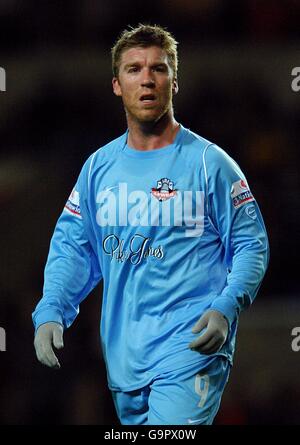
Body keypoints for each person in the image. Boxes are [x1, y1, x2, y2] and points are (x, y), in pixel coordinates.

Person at [32, 24, 269, 425]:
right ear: (115, 84)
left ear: (174, 83)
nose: (147, 79)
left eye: (159, 69)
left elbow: (251, 244)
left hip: (190, 348)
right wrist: (52, 308)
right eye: (134, 69)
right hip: (124, 359)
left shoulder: (210, 164)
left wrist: (226, 306)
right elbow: (74, 247)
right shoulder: (97, 169)